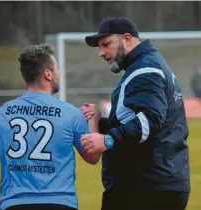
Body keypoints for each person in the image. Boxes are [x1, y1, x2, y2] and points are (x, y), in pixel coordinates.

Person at [80, 17, 190, 210]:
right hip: (157, 183)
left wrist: (107, 140)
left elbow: (150, 120)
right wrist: (101, 122)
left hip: (144, 188)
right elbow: (138, 120)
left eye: (106, 44)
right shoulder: (149, 65)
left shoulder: (145, 70)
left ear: (128, 39)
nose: (101, 53)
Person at [0, 43, 100, 210]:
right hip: (60, 204)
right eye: (56, 69)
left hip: (14, 204)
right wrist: (94, 119)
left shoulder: (0, 114)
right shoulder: (70, 114)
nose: (59, 74)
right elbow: (93, 158)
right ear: (48, 74)